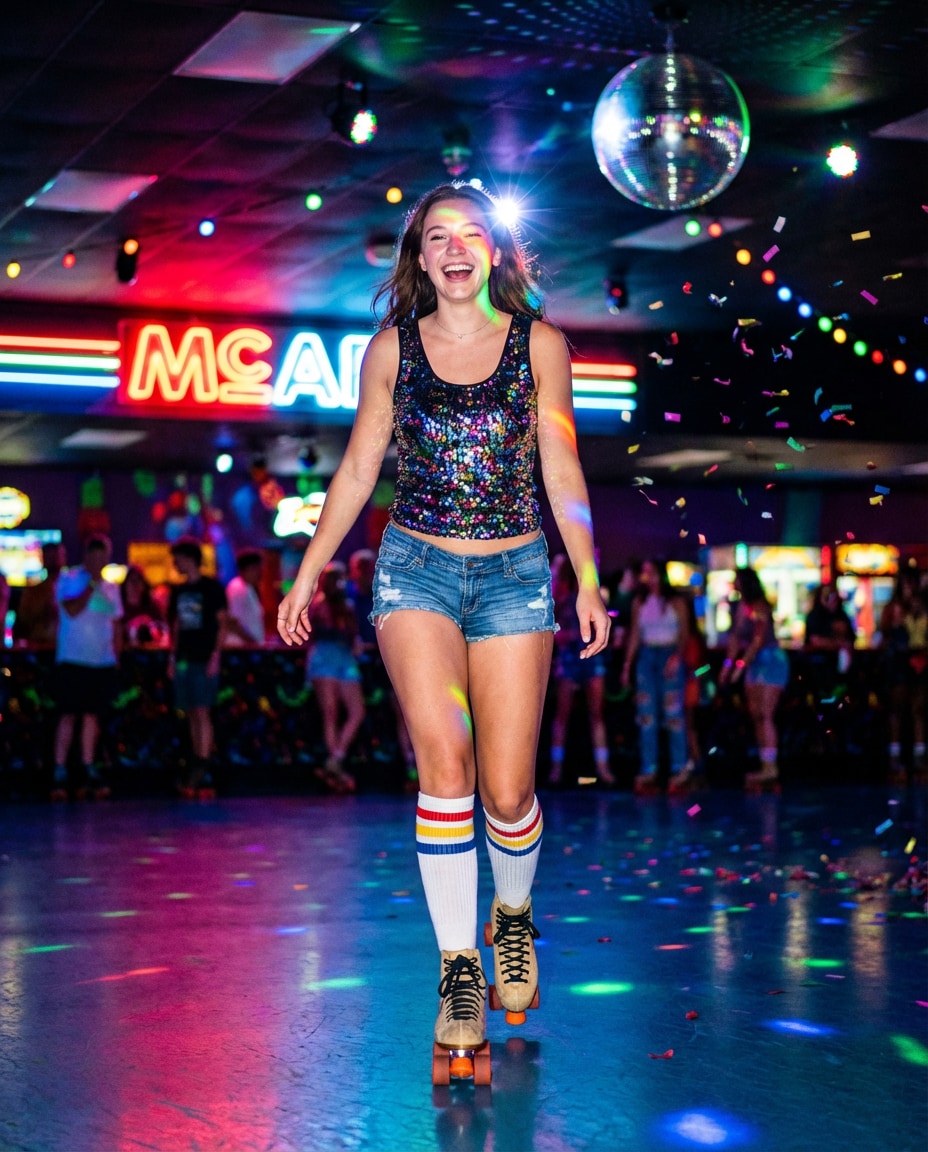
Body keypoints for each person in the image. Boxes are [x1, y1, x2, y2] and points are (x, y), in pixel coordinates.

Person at [277, 182, 609, 1058]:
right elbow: (355, 472)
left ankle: (511, 914)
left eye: (471, 234)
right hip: (414, 570)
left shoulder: (541, 345)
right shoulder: (390, 351)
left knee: (508, 791)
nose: (455, 248)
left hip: (514, 574)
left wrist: (586, 577)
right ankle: (458, 968)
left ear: (495, 252)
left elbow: (561, 465)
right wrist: (308, 573)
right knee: (446, 768)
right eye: (437, 237)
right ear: (419, 258)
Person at [51, 534, 123, 798]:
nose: (99, 562)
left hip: (101, 661)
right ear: (86, 556)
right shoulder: (69, 579)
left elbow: (116, 625)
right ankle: (59, 769)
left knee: (92, 715)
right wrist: (91, 586)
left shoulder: (113, 588)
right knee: (68, 714)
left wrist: (116, 657)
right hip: (72, 658)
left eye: (103, 557)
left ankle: (88, 766)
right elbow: (70, 609)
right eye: (95, 557)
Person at [347, 547, 417, 790]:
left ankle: (411, 766)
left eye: (370, 568)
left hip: (389, 659)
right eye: (362, 568)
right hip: (357, 665)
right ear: (354, 571)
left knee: (404, 713)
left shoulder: (387, 593)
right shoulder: (348, 597)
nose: (367, 573)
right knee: (360, 714)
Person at [621, 559, 691, 793]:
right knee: (646, 717)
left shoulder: (676, 601)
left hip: (669, 654)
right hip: (647, 657)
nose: (646, 576)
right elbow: (634, 636)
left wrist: (677, 657)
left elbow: (684, 633)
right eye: (644, 572)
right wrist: (627, 666)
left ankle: (679, 768)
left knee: (673, 715)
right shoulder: (639, 602)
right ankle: (649, 769)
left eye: (650, 572)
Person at [718, 565, 790, 787]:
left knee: (766, 714)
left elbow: (758, 639)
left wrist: (740, 665)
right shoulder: (738, 608)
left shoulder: (759, 606)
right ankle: (764, 764)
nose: (734, 583)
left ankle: (772, 767)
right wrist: (727, 667)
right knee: (756, 715)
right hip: (753, 663)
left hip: (769, 660)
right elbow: (734, 641)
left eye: (737, 579)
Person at [167, 537, 228, 795]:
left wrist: (216, 656)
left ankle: (203, 765)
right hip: (185, 658)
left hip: (204, 657)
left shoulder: (212, 588)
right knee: (192, 710)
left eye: (178, 558)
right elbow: (177, 627)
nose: (175, 564)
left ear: (189, 559)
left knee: (202, 711)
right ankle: (197, 761)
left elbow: (222, 623)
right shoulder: (178, 591)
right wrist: (172, 657)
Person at [548, 553, 615, 786]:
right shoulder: (563, 598)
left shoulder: (597, 597)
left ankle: (603, 768)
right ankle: (556, 769)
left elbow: (607, 625)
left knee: (597, 715)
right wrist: (569, 635)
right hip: (569, 658)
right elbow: (553, 631)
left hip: (592, 656)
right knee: (562, 716)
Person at [304, 560, 366, 793]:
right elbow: (311, 635)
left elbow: (353, 635)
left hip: (344, 657)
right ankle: (335, 763)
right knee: (330, 712)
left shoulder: (347, 606)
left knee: (356, 711)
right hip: (324, 657)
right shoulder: (318, 606)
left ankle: (335, 759)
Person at [879, 570, 927, 781]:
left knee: (919, 710)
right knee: (897, 710)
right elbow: (885, 631)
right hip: (899, 660)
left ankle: (918, 757)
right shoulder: (895, 608)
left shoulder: (923, 607)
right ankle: (895, 757)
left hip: (921, 659)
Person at [13, 541, 66, 647]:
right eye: (49, 557)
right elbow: (22, 623)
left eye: (55, 556)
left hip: (69, 649)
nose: (52, 560)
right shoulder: (33, 592)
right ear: (43, 559)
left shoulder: (73, 587)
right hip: (40, 648)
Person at [224, 548, 266, 647]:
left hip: (246, 649)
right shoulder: (237, 589)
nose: (260, 574)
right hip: (239, 649)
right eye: (257, 569)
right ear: (247, 569)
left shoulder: (249, 589)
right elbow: (232, 622)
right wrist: (253, 643)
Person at [120, 563, 168, 648]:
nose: (135, 585)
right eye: (131, 581)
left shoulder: (153, 609)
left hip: (149, 654)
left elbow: (163, 631)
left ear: (144, 585)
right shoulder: (118, 609)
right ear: (125, 585)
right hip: (124, 654)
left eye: (138, 581)